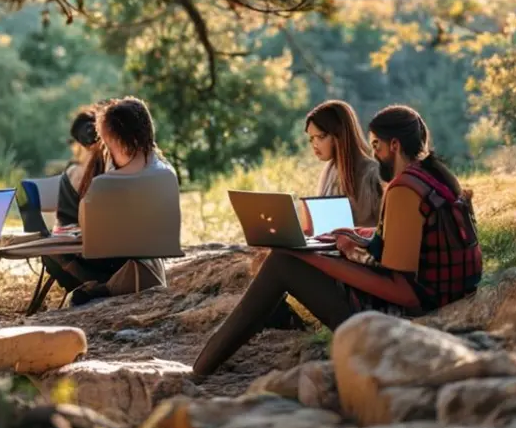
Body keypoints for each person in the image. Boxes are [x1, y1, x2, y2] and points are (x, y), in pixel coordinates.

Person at [192, 104, 481, 376]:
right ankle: (237, 341)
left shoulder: (405, 189)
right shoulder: (436, 177)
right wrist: (358, 234)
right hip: (439, 295)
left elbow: (401, 290)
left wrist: (311, 258)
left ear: (395, 145)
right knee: (290, 260)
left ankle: (200, 369)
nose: (374, 151)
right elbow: (408, 239)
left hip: (404, 313)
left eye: (377, 145)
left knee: (283, 263)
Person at [45, 98, 172, 306]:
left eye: (106, 142)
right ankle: (101, 286)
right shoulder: (163, 168)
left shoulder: (112, 181)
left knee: (55, 254)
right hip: (147, 258)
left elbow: (94, 235)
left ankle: (101, 288)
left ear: (117, 140)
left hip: (121, 258)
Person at [302, 100, 383, 231]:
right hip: (329, 247)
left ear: (340, 134)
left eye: (321, 136)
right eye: (311, 138)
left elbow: (385, 229)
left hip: (360, 249)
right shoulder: (329, 170)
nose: (315, 145)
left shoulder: (373, 174)